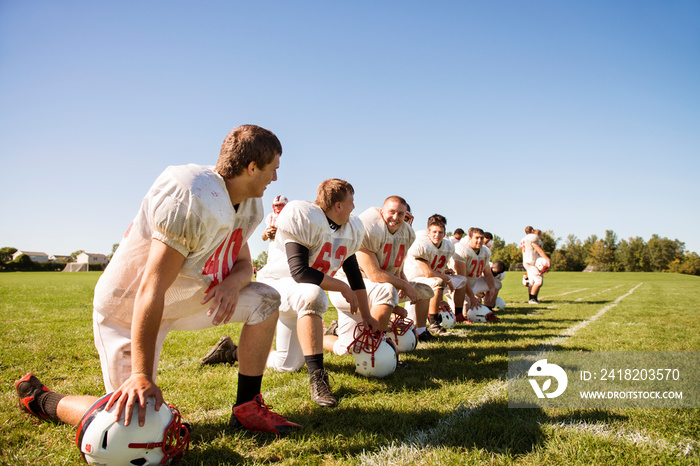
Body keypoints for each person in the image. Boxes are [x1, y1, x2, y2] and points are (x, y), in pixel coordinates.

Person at [15, 125, 301, 435]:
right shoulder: (192, 195)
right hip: (129, 308)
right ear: (252, 167)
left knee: (267, 300)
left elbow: (244, 263)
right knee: (131, 427)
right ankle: (42, 399)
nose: (275, 179)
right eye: (273, 169)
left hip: (185, 299)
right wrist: (141, 374)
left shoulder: (246, 202)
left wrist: (232, 284)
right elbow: (151, 286)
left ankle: (246, 408)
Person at [256, 178, 369, 407]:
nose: (354, 207)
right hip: (277, 287)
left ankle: (234, 351)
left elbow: (353, 272)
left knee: (287, 364)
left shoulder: (349, 228)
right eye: (351, 201)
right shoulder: (304, 216)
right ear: (338, 206)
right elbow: (299, 272)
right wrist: (341, 286)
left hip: (301, 298)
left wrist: (367, 316)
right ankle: (318, 378)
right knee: (312, 293)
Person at [323, 196, 433, 359]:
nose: (396, 218)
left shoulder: (406, 234)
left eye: (401, 214)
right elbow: (374, 274)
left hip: (372, 290)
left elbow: (394, 266)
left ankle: (325, 335)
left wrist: (399, 290)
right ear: (382, 212)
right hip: (348, 287)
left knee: (350, 348)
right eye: (392, 212)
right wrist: (404, 286)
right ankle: (377, 348)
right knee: (386, 290)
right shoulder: (369, 227)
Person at [403, 214, 466, 341]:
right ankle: (433, 323)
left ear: (444, 233)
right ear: (428, 232)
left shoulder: (449, 246)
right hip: (414, 279)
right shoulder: (421, 243)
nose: (437, 235)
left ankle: (458, 313)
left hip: (432, 278)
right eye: (434, 232)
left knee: (462, 280)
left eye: (440, 232)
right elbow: (428, 273)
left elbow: (438, 268)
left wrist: (445, 275)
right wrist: (445, 278)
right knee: (438, 282)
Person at [450, 228, 499, 321]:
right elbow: (462, 277)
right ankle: (458, 314)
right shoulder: (461, 249)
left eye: (481, 238)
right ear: (469, 238)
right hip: (458, 286)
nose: (479, 241)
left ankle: (488, 310)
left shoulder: (485, 251)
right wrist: (472, 297)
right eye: (476, 238)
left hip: (473, 282)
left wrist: (491, 289)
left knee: (496, 284)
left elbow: (488, 274)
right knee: (467, 313)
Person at [520, 226, 551, 304]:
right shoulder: (533, 238)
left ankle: (532, 298)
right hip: (532, 262)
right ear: (532, 231)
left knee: (532, 282)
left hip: (527, 261)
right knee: (539, 281)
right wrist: (547, 260)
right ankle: (532, 299)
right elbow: (538, 250)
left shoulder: (523, 239)